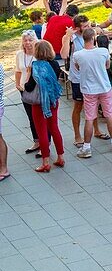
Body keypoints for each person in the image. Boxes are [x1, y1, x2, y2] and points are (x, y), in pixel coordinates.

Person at [24, 40, 65, 172]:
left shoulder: (36, 66)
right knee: (54, 128)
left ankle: (46, 162)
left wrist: (27, 78)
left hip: (39, 103)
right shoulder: (55, 64)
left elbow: (29, 86)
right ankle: (60, 157)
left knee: (41, 131)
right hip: (53, 100)